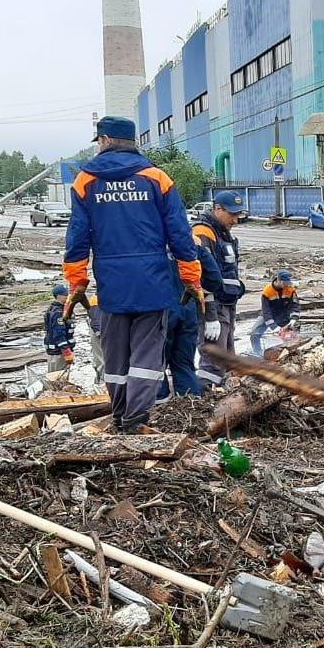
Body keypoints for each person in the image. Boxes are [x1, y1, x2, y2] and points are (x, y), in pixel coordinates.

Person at [63, 116, 202, 433]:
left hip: (112, 284)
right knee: (146, 354)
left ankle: (119, 413)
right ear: (132, 141)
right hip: (153, 282)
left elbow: (77, 237)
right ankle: (135, 420)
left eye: (99, 139)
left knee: (115, 353)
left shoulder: (86, 181)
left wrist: (77, 282)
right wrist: (191, 277)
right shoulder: (157, 178)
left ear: (106, 140)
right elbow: (180, 234)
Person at [193, 190, 246, 389]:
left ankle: (228, 400)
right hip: (213, 306)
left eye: (238, 215)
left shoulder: (222, 233)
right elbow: (202, 277)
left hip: (227, 304)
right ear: (217, 209)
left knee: (228, 357)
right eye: (232, 214)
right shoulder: (203, 233)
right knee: (213, 361)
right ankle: (206, 403)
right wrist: (210, 316)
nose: (236, 220)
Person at [158, 242, 222, 401]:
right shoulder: (191, 241)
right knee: (184, 364)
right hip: (187, 309)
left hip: (160, 310)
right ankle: (191, 408)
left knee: (156, 365)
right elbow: (214, 278)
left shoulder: (151, 239)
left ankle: (158, 412)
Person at [249, 269, 300, 356]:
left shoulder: (290, 290)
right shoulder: (267, 291)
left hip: (284, 314)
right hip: (269, 314)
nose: (286, 286)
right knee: (254, 334)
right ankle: (257, 354)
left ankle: (290, 354)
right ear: (278, 280)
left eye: (287, 283)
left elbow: (295, 306)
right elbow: (266, 311)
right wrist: (274, 327)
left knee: (291, 337)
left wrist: (293, 320)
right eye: (284, 283)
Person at [43, 285, 75, 373]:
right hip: (58, 352)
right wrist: (66, 351)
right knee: (57, 377)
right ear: (58, 296)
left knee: (61, 377)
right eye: (66, 295)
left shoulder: (57, 309)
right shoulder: (58, 313)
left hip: (58, 350)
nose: (68, 297)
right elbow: (58, 333)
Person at [85, 292, 104, 384]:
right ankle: (102, 384)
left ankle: (98, 382)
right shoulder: (95, 299)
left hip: (100, 330)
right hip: (99, 332)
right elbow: (95, 319)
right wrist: (101, 334)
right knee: (102, 360)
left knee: (99, 360)